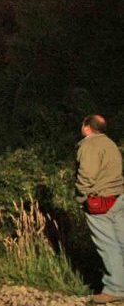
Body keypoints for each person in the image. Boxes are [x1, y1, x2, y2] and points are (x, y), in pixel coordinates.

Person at [76, 114, 124, 304]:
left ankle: (115, 288)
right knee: (121, 241)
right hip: (118, 197)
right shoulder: (110, 143)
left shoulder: (88, 145)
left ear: (87, 126)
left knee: (108, 245)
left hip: (100, 202)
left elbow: (86, 175)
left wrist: (83, 196)